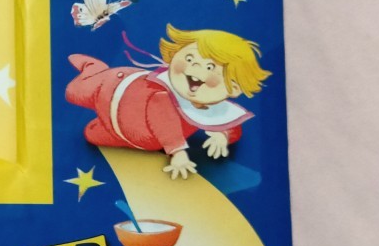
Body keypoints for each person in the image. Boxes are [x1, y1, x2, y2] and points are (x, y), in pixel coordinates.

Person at [66, 24, 269, 180]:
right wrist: (177, 151)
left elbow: (229, 123)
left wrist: (222, 136)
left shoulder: (215, 106)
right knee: (73, 92)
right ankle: (94, 68)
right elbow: (162, 117)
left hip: (123, 133)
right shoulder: (162, 95)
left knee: (90, 134)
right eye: (189, 59)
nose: (194, 68)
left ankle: (104, 126)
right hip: (112, 87)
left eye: (210, 68)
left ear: (234, 87)